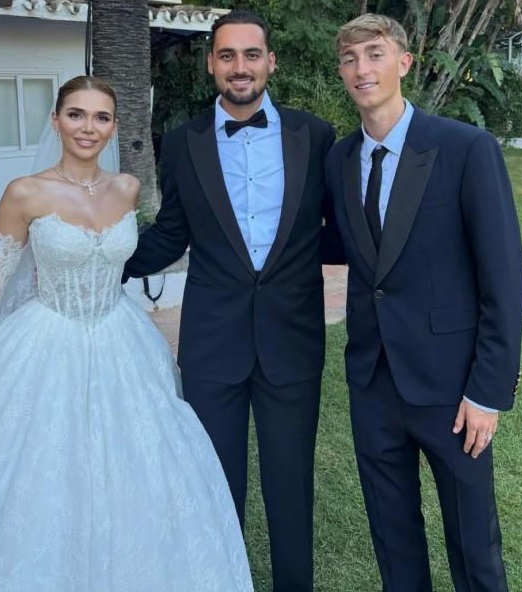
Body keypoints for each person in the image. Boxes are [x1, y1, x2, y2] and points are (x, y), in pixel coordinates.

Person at [0, 75, 254, 592]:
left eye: (101, 117)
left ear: (114, 127)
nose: (88, 127)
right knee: (39, 471)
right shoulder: (25, 193)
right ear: (56, 121)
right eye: (76, 114)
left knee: (140, 465)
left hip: (122, 341)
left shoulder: (127, 189)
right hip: (46, 342)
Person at [123, 9, 343, 592]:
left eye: (250, 54)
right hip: (211, 344)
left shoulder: (315, 136)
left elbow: (340, 229)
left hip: (292, 341)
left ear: (271, 62)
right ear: (211, 64)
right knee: (213, 484)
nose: (239, 67)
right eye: (227, 55)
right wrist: (102, 263)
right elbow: (172, 233)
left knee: (291, 485)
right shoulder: (182, 142)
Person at [326, 14, 522, 592]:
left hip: (452, 388)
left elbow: (504, 279)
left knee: (474, 546)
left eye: (374, 53)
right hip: (372, 382)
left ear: (404, 62)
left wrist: (487, 391)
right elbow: (338, 245)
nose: (362, 69)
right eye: (349, 59)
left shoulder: (465, 148)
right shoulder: (339, 159)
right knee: (394, 543)